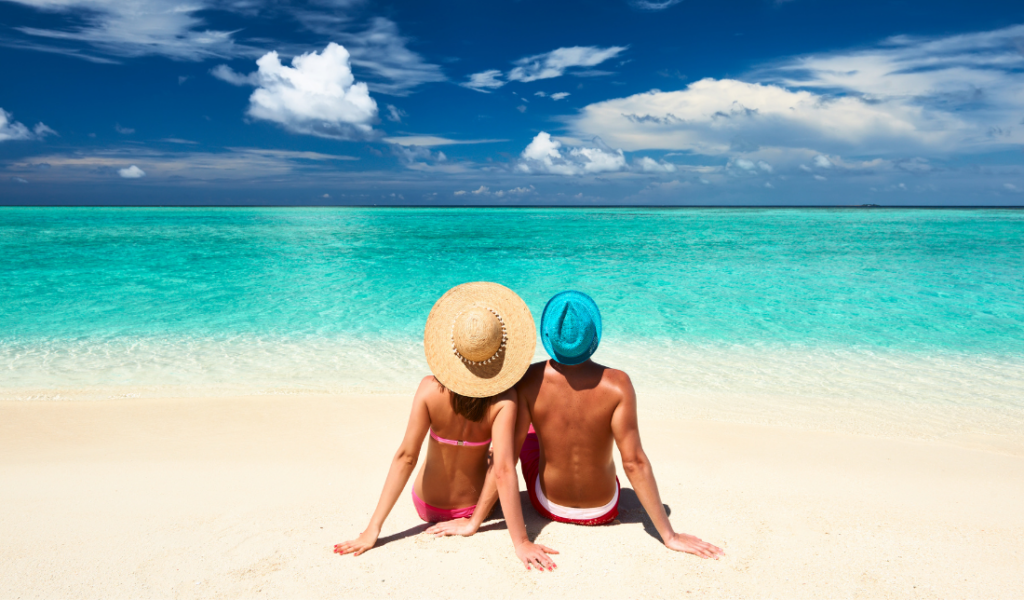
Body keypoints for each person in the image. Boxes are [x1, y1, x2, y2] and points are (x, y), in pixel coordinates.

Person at [429, 291, 724, 559]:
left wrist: (473, 523)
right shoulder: (619, 384)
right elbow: (634, 462)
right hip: (604, 509)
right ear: (593, 336)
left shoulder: (529, 380)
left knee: (523, 436)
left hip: (548, 505)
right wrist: (669, 536)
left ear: (548, 336)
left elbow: (508, 460)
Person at [333, 282, 558, 571]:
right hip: (472, 508)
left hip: (425, 506)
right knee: (513, 445)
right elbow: (503, 470)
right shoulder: (504, 401)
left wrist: (371, 530)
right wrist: (520, 541)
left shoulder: (428, 389)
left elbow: (406, 457)